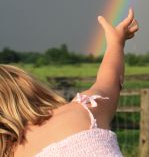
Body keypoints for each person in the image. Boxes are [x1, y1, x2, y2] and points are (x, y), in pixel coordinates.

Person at [0, 9, 138, 157]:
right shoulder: (84, 110)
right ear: (32, 88)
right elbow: (109, 81)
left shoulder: (12, 152)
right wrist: (115, 42)